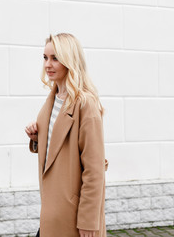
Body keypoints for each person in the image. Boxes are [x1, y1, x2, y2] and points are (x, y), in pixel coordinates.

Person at [25, 33, 108, 237]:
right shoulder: (52, 99)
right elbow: (57, 149)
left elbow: (94, 168)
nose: (48, 65)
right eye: (45, 58)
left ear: (70, 60)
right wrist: (37, 139)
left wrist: (89, 220)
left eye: (55, 58)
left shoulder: (85, 103)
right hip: (52, 210)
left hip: (73, 215)